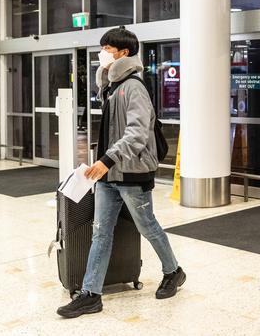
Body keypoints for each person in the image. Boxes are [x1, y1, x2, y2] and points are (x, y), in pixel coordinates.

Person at [57, 28, 185, 318]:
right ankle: (91, 294)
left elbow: (137, 134)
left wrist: (107, 159)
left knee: (147, 225)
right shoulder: (111, 86)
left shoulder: (133, 86)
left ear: (123, 52)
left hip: (131, 173)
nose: (103, 52)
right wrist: (104, 163)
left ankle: (173, 271)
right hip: (110, 174)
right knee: (100, 232)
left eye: (107, 48)